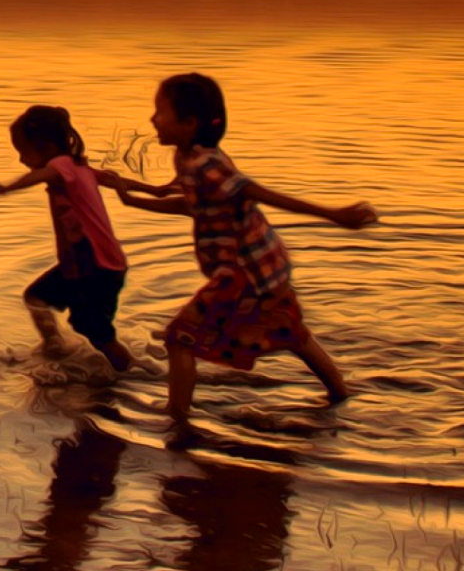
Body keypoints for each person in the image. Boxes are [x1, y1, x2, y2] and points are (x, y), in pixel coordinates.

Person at [99, 72, 378, 422]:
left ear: (189, 123)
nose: (152, 119)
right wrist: (134, 199)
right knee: (291, 333)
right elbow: (195, 204)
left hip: (243, 272)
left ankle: (177, 420)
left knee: (179, 338)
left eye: (160, 111)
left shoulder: (207, 165)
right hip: (264, 266)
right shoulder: (192, 157)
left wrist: (332, 214)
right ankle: (340, 395)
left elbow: (254, 192)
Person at [0, 104, 134, 375]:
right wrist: (156, 190)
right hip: (86, 265)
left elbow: (44, 173)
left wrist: (8, 187)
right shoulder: (78, 167)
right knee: (36, 297)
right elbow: (114, 180)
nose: (21, 160)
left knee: (95, 331)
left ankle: (132, 373)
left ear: (46, 146)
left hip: (94, 266)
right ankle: (55, 346)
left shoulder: (61, 165)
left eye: (23, 151)